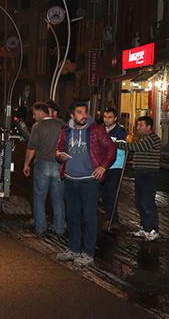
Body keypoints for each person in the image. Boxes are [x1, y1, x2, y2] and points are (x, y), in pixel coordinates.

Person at [55, 101, 116, 267]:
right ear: (72, 115)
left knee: (89, 217)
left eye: (85, 112)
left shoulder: (96, 130)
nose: (84, 115)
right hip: (70, 180)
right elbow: (59, 149)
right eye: (80, 112)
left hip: (89, 181)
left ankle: (88, 253)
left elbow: (111, 149)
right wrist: (59, 155)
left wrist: (103, 166)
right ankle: (73, 249)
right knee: (73, 217)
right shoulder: (65, 131)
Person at [23, 101, 66, 237]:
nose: (34, 117)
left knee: (40, 197)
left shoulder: (38, 126)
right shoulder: (62, 124)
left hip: (42, 164)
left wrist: (26, 164)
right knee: (58, 198)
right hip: (58, 165)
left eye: (35, 114)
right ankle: (59, 228)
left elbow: (32, 147)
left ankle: (40, 227)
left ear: (42, 113)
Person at [118, 116, 162, 242]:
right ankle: (145, 228)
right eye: (138, 125)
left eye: (140, 125)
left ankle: (154, 229)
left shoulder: (153, 139)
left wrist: (120, 145)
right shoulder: (143, 138)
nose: (138, 128)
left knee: (147, 202)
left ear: (149, 127)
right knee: (139, 201)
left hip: (149, 174)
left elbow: (136, 147)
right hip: (140, 173)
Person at [101, 107, 127, 230]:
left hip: (116, 165)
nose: (107, 120)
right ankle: (107, 217)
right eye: (105, 117)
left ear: (115, 118)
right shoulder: (100, 129)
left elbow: (121, 145)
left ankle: (113, 219)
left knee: (111, 192)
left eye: (110, 117)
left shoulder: (120, 130)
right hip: (102, 165)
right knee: (104, 193)